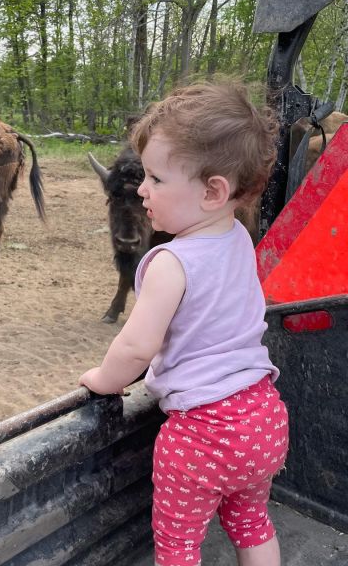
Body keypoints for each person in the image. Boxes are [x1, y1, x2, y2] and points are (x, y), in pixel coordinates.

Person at [79, 81, 289, 566]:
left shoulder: (169, 263)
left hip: (202, 436)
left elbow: (136, 347)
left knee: (178, 547)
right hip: (265, 418)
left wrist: (102, 380)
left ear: (214, 191)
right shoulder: (238, 238)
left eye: (155, 178)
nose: (141, 189)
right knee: (253, 523)